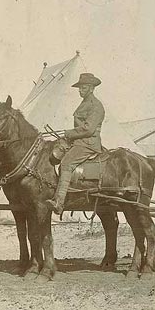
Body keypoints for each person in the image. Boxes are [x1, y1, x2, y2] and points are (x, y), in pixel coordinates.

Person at [47, 73, 105, 215]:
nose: (80, 90)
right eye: (79, 88)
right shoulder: (85, 103)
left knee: (66, 163)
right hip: (79, 141)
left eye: (83, 88)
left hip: (88, 143)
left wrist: (69, 133)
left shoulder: (96, 106)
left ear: (91, 88)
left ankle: (59, 202)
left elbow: (89, 128)